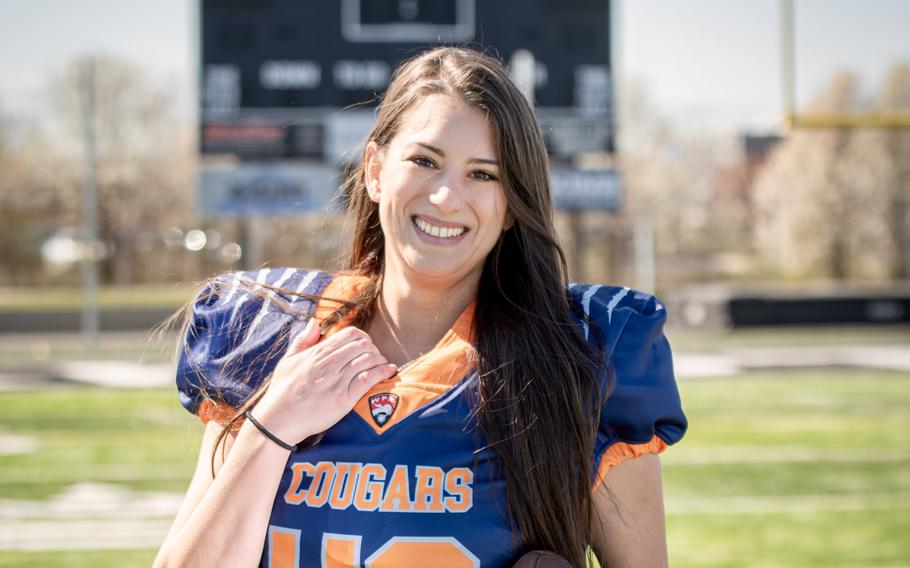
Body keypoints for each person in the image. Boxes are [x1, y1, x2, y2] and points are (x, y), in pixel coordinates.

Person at [154, 47, 686, 568]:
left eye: (483, 174)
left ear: (510, 205)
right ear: (375, 169)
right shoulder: (269, 339)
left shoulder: (579, 356)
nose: (446, 197)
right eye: (425, 161)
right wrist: (272, 425)